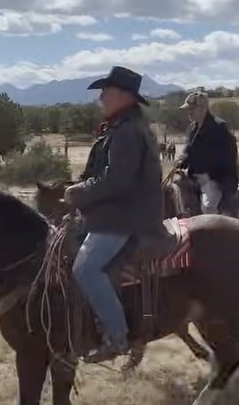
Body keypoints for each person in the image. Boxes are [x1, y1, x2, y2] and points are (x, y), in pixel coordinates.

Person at [63, 66, 165, 362]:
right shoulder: (121, 127)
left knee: (85, 269)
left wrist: (77, 192)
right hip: (117, 210)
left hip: (125, 217)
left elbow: (116, 181)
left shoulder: (128, 132)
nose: (101, 97)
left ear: (123, 96)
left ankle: (116, 336)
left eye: (105, 91)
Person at [176, 92, 239, 215]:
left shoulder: (219, 127)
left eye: (191, 109)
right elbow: (188, 151)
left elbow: (229, 157)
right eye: (187, 110)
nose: (189, 112)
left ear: (202, 108)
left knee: (208, 207)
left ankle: (215, 232)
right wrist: (182, 161)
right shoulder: (191, 129)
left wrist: (208, 172)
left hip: (214, 179)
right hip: (193, 177)